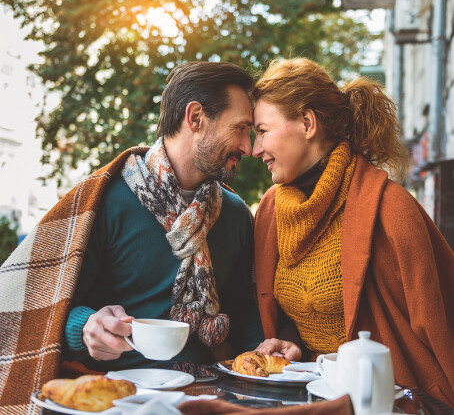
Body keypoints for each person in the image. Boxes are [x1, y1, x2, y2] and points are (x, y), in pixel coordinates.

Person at [0, 61, 263, 410]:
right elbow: (44, 312)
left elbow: (246, 319)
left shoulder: (235, 215)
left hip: (208, 398)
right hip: (116, 399)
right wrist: (85, 328)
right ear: (195, 118)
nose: (249, 147)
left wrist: (267, 349)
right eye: (241, 128)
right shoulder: (104, 201)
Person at [251, 58, 454, 407]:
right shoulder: (270, 211)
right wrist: (290, 339)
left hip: (390, 402)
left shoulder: (392, 210)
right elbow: (294, 313)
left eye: (262, 131)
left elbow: (441, 325)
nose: (255, 150)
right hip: (309, 398)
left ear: (307, 122)